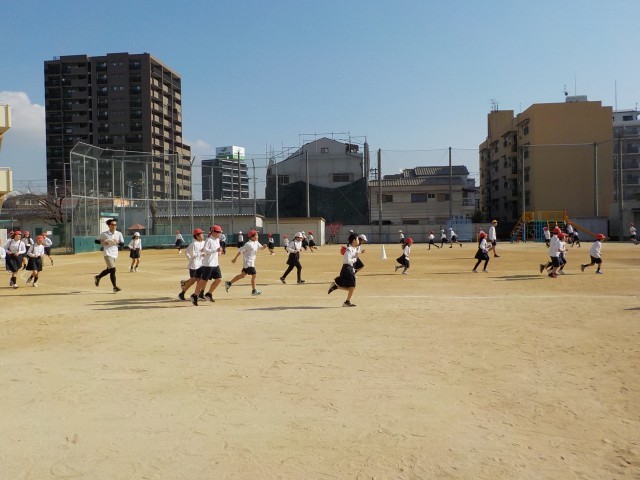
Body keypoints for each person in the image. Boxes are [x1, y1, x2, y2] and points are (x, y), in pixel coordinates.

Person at [225, 229, 267, 296]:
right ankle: (254, 291)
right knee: (254, 275)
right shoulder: (248, 244)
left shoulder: (256, 242)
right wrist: (235, 258)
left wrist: (264, 247)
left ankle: (229, 283)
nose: (257, 236)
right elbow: (240, 251)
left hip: (249, 262)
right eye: (256, 235)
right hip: (248, 262)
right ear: (251, 237)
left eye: (257, 235)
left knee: (242, 275)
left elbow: (261, 248)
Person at [327, 232, 359, 307]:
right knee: (352, 287)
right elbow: (347, 260)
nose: (358, 241)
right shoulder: (349, 250)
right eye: (357, 239)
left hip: (349, 268)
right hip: (347, 269)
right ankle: (346, 302)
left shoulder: (354, 249)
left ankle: (335, 287)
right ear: (354, 240)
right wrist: (355, 259)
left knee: (351, 287)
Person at [94, 218, 125, 293]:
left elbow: (122, 244)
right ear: (109, 225)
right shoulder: (104, 234)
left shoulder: (119, 234)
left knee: (109, 269)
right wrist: (102, 242)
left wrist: (118, 242)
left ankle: (98, 277)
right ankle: (115, 287)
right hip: (107, 253)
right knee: (113, 270)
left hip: (115, 254)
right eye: (112, 225)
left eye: (115, 225)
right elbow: (96, 240)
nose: (114, 226)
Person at [178, 228, 206, 305]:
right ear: (197, 236)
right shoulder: (193, 244)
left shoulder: (204, 243)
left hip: (202, 264)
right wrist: (200, 253)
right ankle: (182, 293)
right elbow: (191, 254)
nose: (203, 235)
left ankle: (198, 294)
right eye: (201, 234)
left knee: (201, 280)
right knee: (193, 280)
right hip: (194, 265)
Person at [198, 225, 223, 302]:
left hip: (215, 263)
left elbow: (217, 249)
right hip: (208, 264)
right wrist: (216, 250)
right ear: (213, 232)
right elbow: (205, 250)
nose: (219, 233)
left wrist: (219, 252)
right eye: (218, 232)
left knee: (218, 279)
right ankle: (196, 294)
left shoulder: (217, 240)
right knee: (204, 280)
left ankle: (208, 293)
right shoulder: (208, 240)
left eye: (220, 232)